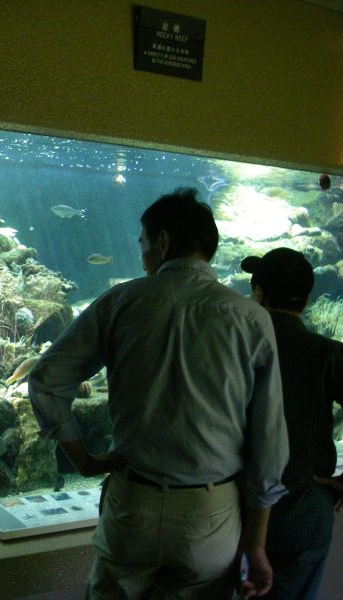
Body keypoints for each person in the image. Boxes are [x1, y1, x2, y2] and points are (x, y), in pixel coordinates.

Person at [28, 187, 289, 599]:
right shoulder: (251, 319)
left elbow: (46, 379)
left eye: (143, 243)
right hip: (210, 514)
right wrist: (256, 544)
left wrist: (81, 459)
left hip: (133, 505)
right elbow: (270, 440)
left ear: (162, 241)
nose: (143, 255)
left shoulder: (120, 301)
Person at [242, 247, 343, 599]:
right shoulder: (327, 353)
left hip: (236, 509)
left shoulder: (238, 352)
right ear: (306, 299)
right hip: (306, 508)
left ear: (258, 295)